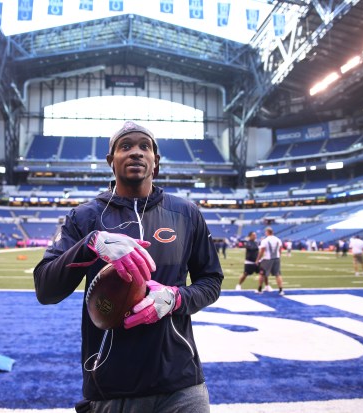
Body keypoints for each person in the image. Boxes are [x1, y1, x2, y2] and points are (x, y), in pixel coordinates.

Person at [33, 121, 223, 412]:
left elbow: (210, 281)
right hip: (110, 387)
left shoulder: (186, 213)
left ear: (155, 162)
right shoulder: (84, 217)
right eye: (126, 146)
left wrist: (175, 298)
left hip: (181, 385)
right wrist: (90, 243)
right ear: (111, 161)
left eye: (144, 147)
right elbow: (46, 289)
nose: (136, 152)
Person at [255, 227, 285, 296]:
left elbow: (262, 251)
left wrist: (258, 259)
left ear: (267, 232)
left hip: (267, 259)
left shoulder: (265, 240)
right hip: (276, 258)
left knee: (262, 274)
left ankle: (259, 289)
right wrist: (278, 256)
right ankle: (281, 290)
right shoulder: (278, 239)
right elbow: (280, 249)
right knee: (278, 274)